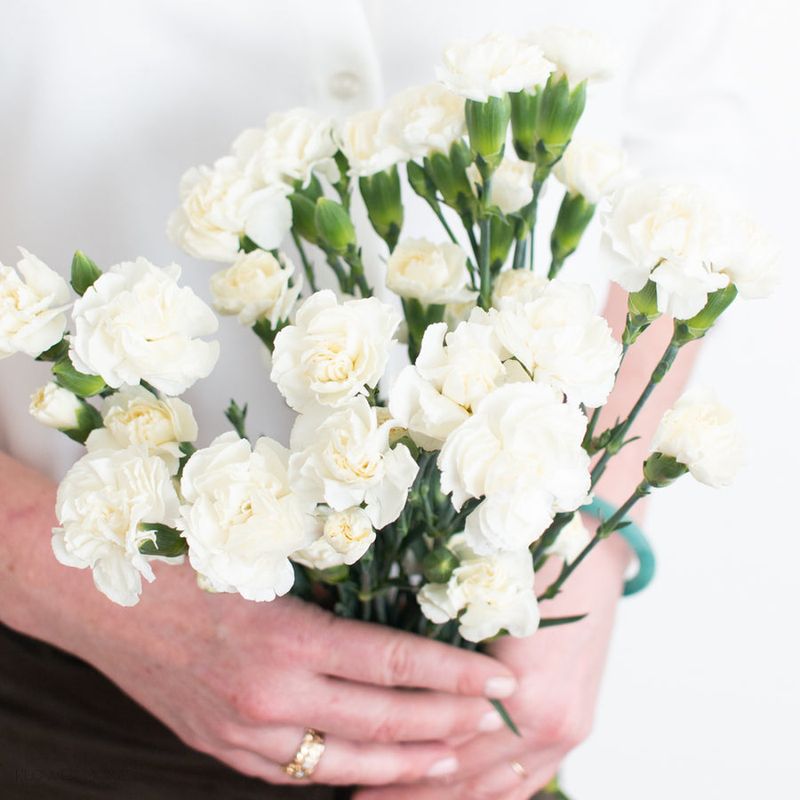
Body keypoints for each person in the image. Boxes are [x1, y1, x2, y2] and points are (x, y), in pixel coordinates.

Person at [0, 1, 744, 797]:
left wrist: (588, 534)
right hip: (75, 695)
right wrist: (73, 590)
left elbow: (686, 165)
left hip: (483, 695)